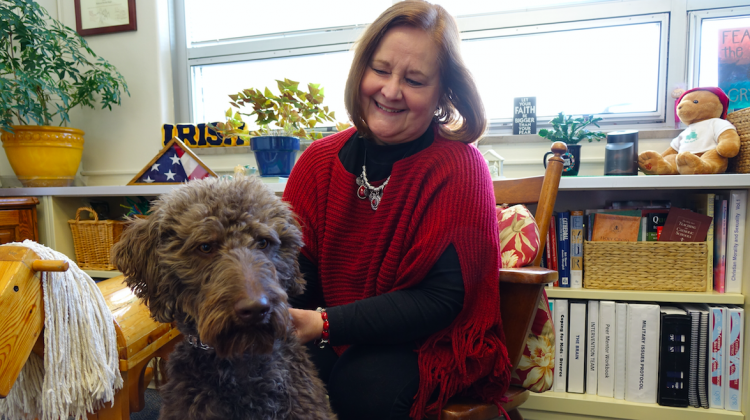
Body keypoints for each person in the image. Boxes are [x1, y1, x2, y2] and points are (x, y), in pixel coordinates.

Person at [283, 1, 511, 419]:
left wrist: (325, 325)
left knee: (362, 383)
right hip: (334, 333)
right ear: (361, 71)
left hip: (431, 341)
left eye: (415, 79)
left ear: (444, 92)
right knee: (268, 373)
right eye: (381, 69)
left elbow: (441, 300)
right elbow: (297, 274)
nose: (390, 91)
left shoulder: (460, 166)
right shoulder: (316, 161)